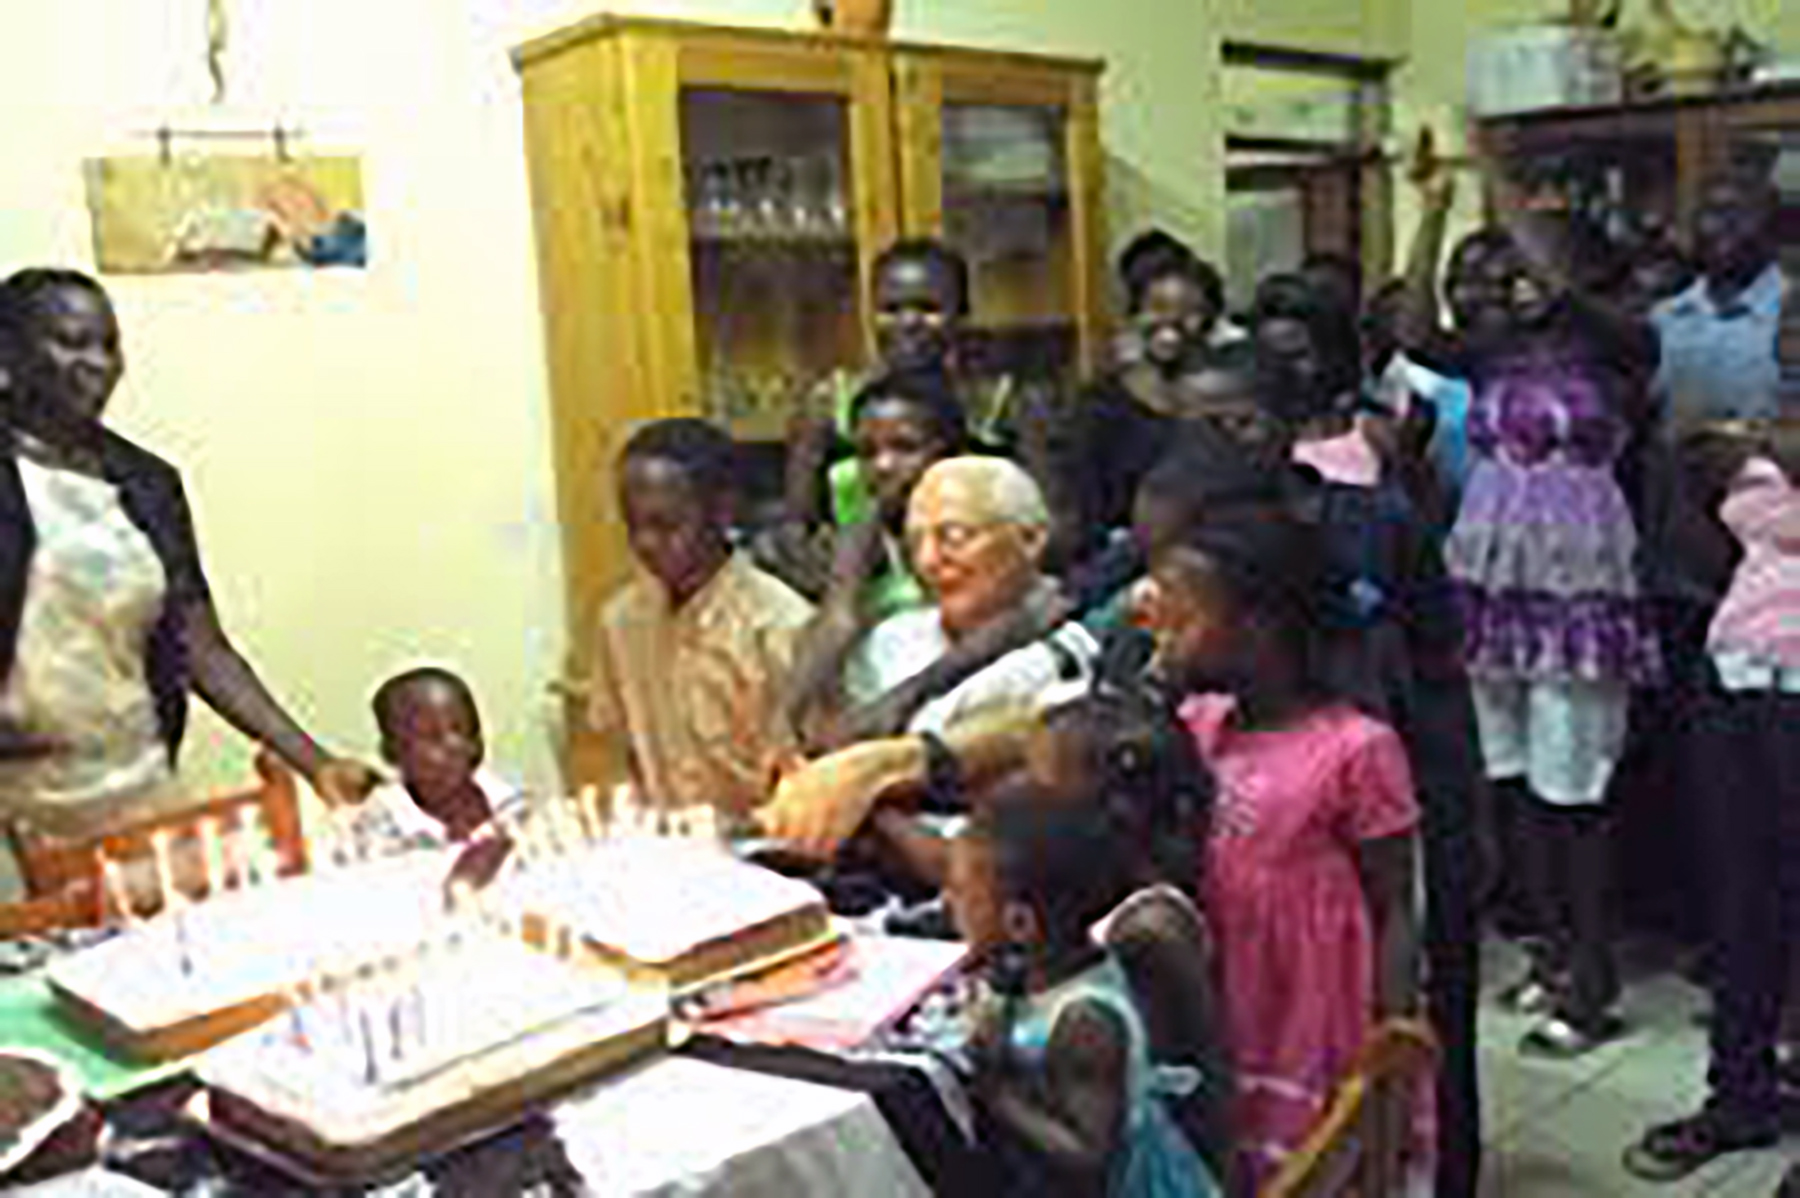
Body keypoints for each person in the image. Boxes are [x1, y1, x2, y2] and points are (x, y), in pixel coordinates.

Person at [0, 268, 377, 894]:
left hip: (134, 787)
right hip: (13, 805)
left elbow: (199, 646)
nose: (95, 364)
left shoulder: (146, 482)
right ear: (8, 351)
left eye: (107, 345)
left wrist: (315, 762)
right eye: (69, 342)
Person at [1412, 152, 1662, 1058]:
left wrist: (1510, 196)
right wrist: (1434, 210)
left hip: (1577, 588)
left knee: (1576, 793)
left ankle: (1591, 981)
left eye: (1531, 267)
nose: (1515, 283)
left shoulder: (1623, 343)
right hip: (1490, 582)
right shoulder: (1494, 354)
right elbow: (1412, 332)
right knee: (1511, 783)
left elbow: (1570, 286)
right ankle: (1551, 954)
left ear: (1573, 270)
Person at [1140, 501, 1425, 1189]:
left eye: (1182, 623)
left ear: (1259, 629)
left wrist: (1388, 1042)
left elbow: (1395, 908)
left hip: (1311, 1014)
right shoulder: (1193, 725)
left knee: (1316, 1162)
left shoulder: (1357, 749)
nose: (1163, 643)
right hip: (1219, 999)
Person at [1625, 423, 1800, 1180]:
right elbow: (1690, 461)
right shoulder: (1763, 436)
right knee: (1740, 900)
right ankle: (1741, 1096)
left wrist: (1762, 444)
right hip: (1736, 679)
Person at [950, 771, 1220, 1197]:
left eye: (961, 892)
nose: (950, 904)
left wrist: (998, 1095)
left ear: (1020, 922)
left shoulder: (1085, 1020)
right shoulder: (1047, 964)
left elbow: (1090, 1156)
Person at [584, 418, 813, 831]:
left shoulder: (780, 624)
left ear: (723, 511)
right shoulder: (620, 622)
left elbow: (810, 783)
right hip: (658, 855)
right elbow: (615, 759)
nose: (646, 544)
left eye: (665, 525)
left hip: (764, 858)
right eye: (633, 526)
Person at [798, 456, 1095, 749]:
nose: (928, 561)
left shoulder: (1059, 656)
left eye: (954, 537)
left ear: (1030, 539)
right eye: (914, 543)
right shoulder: (893, 636)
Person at [1032, 231, 1243, 573]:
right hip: (1115, 562)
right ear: (1134, 313)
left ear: (1209, 322)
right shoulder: (1100, 404)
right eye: (1157, 308)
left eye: (1190, 312)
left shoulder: (1222, 402)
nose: (1171, 323)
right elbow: (1083, 512)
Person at [338, 666, 523, 857]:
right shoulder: (369, 833)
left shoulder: (519, 809)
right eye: (430, 736)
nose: (453, 745)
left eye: (461, 730)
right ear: (390, 752)